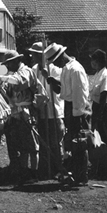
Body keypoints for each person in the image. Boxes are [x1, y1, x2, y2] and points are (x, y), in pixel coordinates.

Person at [45, 42, 90, 185]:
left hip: (77, 109)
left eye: (55, 62)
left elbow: (79, 94)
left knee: (79, 143)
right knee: (71, 143)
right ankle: (76, 173)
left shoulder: (75, 69)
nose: (55, 65)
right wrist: (53, 81)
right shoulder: (66, 69)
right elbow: (63, 90)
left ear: (60, 57)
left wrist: (78, 116)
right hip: (69, 108)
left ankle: (81, 176)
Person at [0, 50, 42, 183]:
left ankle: (33, 173)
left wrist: (3, 78)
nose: (7, 68)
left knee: (32, 146)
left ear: (16, 61)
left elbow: (21, 82)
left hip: (27, 112)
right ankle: (23, 172)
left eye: (9, 64)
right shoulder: (12, 74)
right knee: (21, 146)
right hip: (15, 113)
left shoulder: (26, 72)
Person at [29, 41, 65, 180]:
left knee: (55, 142)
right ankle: (45, 170)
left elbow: (59, 88)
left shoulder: (54, 68)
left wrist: (47, 76)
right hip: (41, 111)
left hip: (54, 110)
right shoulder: (33, 69)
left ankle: (57, 169)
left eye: (35, 54)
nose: (32, 56)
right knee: (43, 142)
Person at [89, 49, 107, 152]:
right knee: (97, 135)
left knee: (105, 135)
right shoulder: (97, 74)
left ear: (100, 61)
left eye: (94, 60)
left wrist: (100, 114)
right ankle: (101, 160)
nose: (92, 63)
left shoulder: (105, 75)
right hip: (97, 107)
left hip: (104, 108)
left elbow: (103, 95)